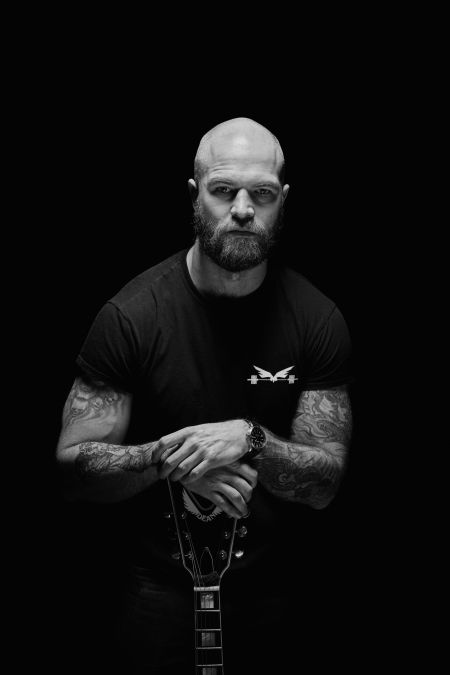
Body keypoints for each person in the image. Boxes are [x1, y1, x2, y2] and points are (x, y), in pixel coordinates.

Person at [56, 117, 353, 674]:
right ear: (195, 195)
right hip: (155, 591)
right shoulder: (131, 317)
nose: (242, 209)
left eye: (262, 193)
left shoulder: (317, 319)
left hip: (278, 594)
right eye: (223, 190)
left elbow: (325, 484)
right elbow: (72, 471)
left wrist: (252, 438)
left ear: (282, 201)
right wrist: (171, 458)